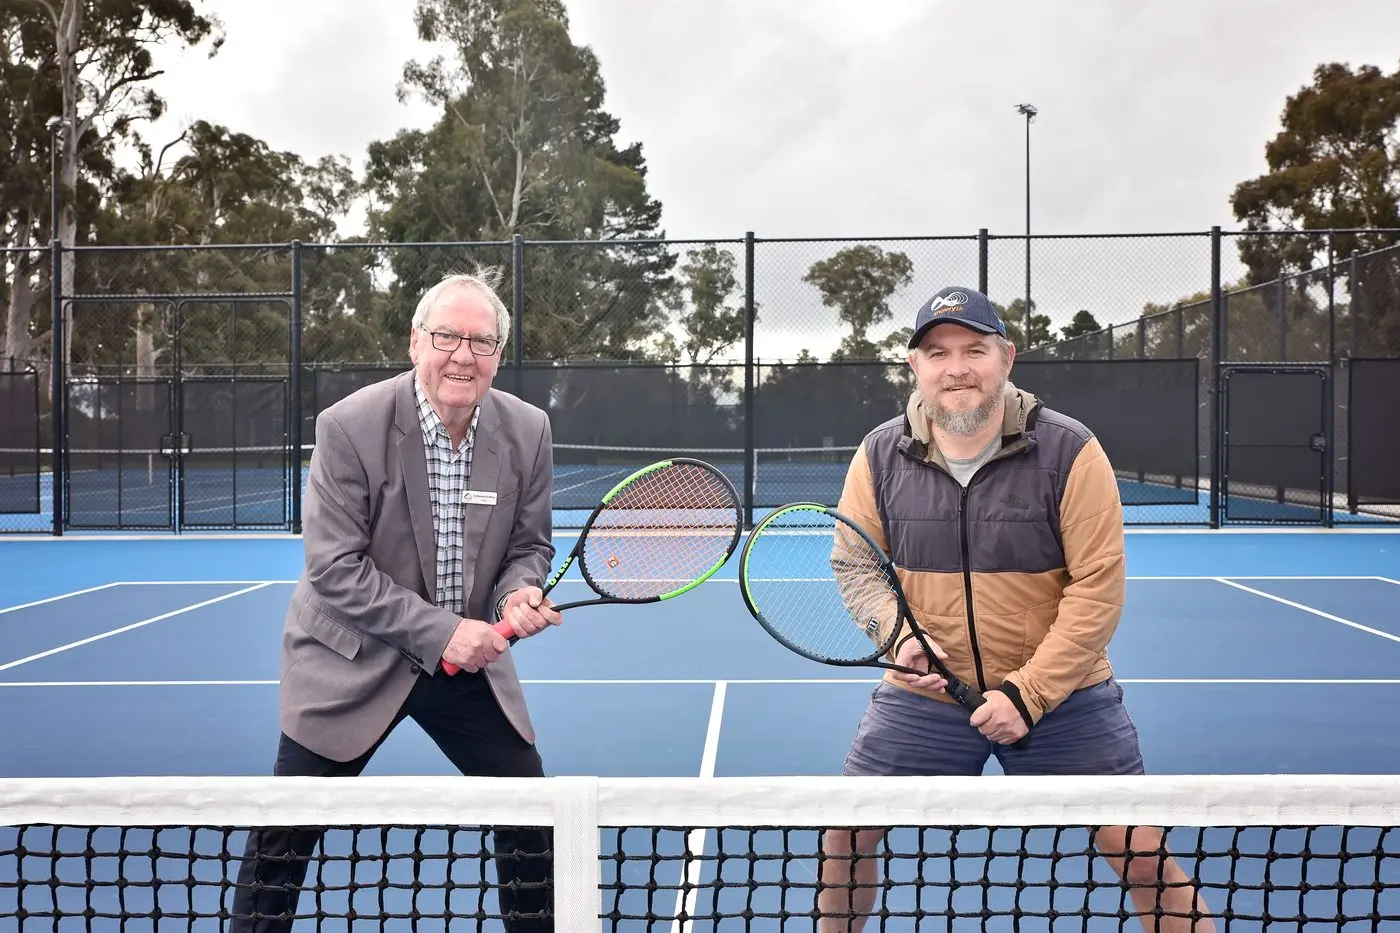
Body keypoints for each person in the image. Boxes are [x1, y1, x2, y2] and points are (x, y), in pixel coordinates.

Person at [817, 286, 1216, 933]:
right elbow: (856, 562)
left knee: (1141, 852)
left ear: (1006, 357)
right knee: (845, 837)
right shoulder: (879, 454)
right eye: (938, 352)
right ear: (914, 366)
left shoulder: (1071, 452)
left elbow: (1097, 589)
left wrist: (1027, 695)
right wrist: (898, 635)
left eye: (974, 349)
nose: (957, 367)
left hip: (1062, 697)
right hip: (929, 697)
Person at [230, 268, 563, 933]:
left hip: (464, 669)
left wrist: (520, 591)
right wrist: (445, 632)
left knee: (532, 815)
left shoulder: (527, 431)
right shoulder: (349, 426)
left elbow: (527, 546)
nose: (463, 355)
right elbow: (334, 569)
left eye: (481, 341)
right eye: (447, 336)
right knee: (283, 839)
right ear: (416, 342)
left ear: (498, 354)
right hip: (350, 657)